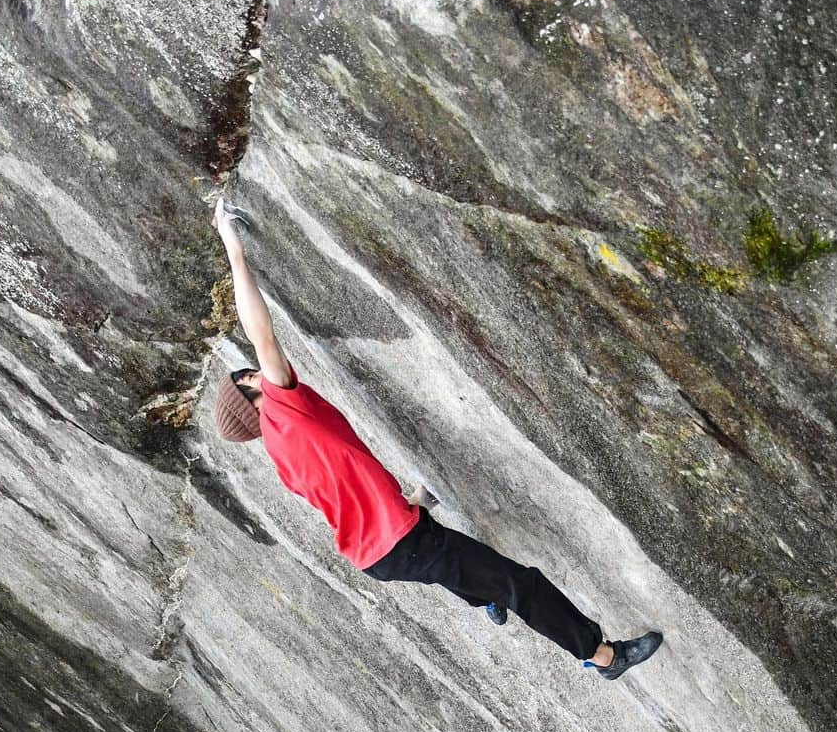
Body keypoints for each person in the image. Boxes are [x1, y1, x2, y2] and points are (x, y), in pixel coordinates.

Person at [211, 201, 662, 679]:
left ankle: (479, 597)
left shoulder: (281, 453)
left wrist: (405, 501)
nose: (261, 370)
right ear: (252, 390)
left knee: (451, 561)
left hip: (377, 556)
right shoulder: (284, 406)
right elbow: (261, 331)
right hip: (405, 542)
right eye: (251, 372)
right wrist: (232, 245)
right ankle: (602, 656)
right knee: (520, 585)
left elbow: (343, 490)